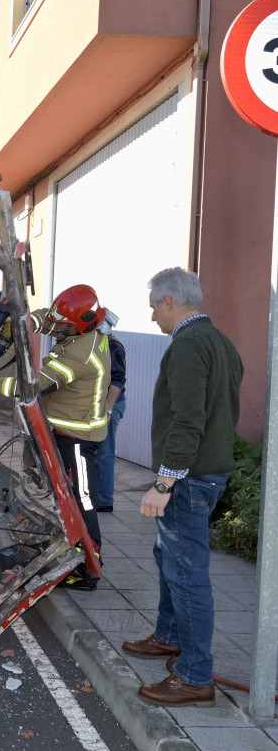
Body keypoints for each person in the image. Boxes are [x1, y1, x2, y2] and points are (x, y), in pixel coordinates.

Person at [122, 268, 243, 708]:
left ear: (170, 300)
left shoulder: (189, 346)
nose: (152, 315)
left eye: (154, 305)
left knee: (187, 574)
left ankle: (194, 675)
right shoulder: (221, 342)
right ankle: (170, 637)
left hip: (189, 478)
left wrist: (163, 483)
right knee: (167, 556)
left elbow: (188, 420)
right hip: (206, 474)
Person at [0, 284, 110, 590]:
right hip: (61, 431)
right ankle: (70, 549)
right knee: (63, 498)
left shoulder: (80, 354)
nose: (56, 328)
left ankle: (89, 565)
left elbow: (34, 385)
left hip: (78, 437)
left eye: (63, 326)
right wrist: (16, 324)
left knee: (80, 499)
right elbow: (47, 318)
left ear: (79, 324)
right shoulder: (78, 328)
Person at [93, 332, 126, 511]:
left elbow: (118, 379)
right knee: (95, 453)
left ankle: (104, 501)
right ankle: (95, 496)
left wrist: (108, 410)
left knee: (104, 453)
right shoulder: (90, 342)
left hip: (110, 405)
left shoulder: (113, 345)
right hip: (96, 404)